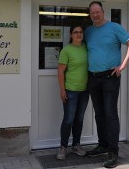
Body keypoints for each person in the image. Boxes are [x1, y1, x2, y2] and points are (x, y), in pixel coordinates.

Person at [85, 1, 129, 168]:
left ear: (103, 12)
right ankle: (102, 145)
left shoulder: (114, 27)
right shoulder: (88, 31)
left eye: (97, 12)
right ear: (90, 14)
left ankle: (113, 152)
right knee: (99, 114)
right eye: (92, 12)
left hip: (110, 77)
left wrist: (122, 65)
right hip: (93, 78)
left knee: (110, 114)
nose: (95, 15)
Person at [56, 25, 89, 160]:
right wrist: (62, 90)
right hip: (71, 91)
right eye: (76, 32)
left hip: (85, 91)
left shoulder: (86, 48)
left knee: (79, 119)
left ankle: (76, 145)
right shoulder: (66, 50)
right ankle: (63, 147)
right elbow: (60, 71)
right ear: (71, 34)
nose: (79, 34)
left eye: (80, 32)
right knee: (68, 119)